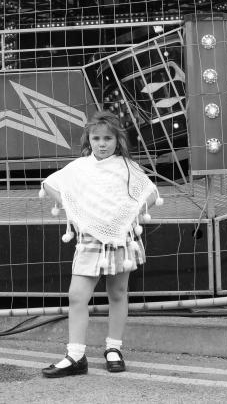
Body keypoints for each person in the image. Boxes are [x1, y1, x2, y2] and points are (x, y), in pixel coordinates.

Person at [37, 110, 161, 377]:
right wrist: (74, 212)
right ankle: (75, 356)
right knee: (77, 295)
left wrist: (131, 216)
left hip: (121, 237)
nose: (102, 143)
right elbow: (50, 184)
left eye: (108, 138)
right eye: (96, 138)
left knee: (117, 293)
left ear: (118, 140)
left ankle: (113, 349)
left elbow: (150, 193)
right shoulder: (80, 167)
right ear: (88, 139)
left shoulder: (128, 168)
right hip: (90, 238)